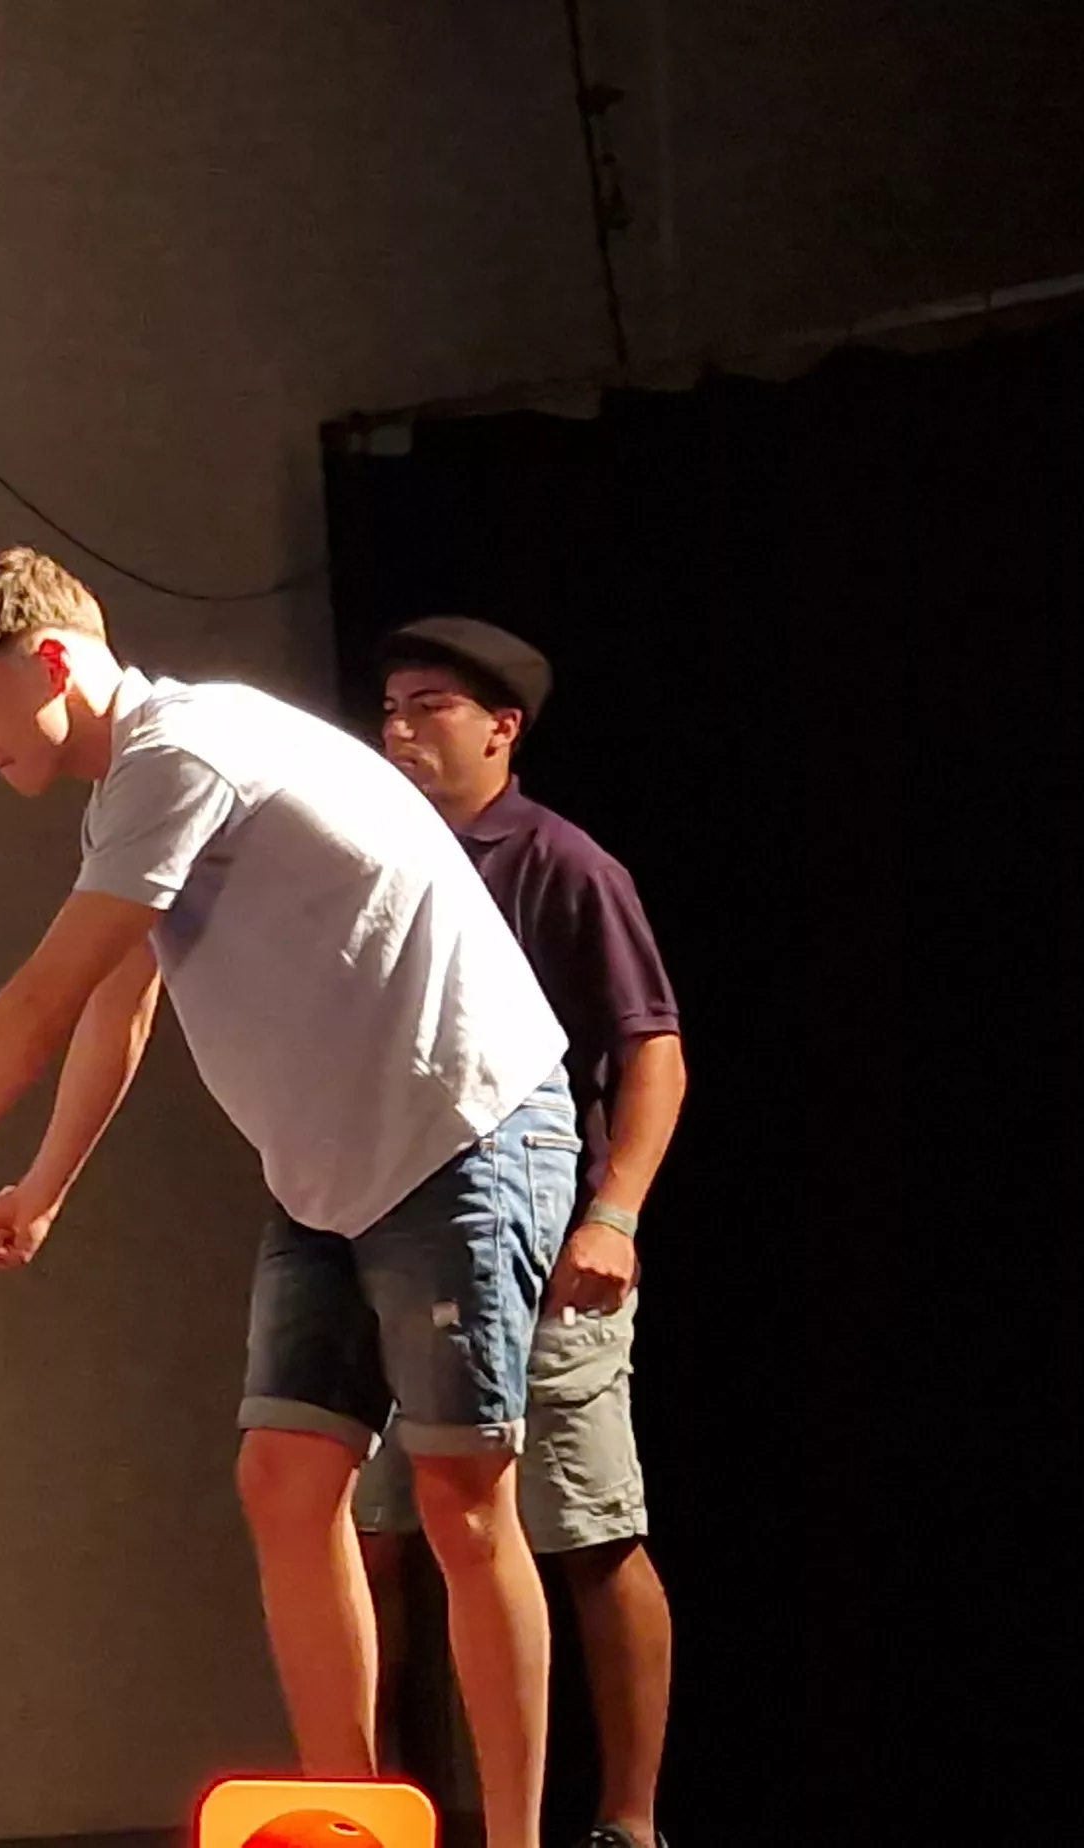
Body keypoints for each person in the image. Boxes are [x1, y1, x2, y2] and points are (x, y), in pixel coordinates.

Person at [0, 549, 576, 1848]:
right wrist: (45, 1185)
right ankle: (358, 1823)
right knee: (285, 1483)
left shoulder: (187, 750)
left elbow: (34, 1004)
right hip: (329, 1172)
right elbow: (119, 1009)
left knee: (464, 1502)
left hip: (464, 1129)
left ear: (53, 663)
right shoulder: (134, 795)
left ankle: (513, 1839)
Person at [363, 618, 687, 1848]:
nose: (398, 730)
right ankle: (384, 1808)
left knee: (585, 1526)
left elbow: (652, 1052)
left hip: (541, 1245)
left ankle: (625, 1821)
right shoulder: (371, 861)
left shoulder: (559, 862)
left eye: (428, 706)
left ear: (501, 727)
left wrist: (613, 1216)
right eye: (388, 707)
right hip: (389, 1229)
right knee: (381, 1529)